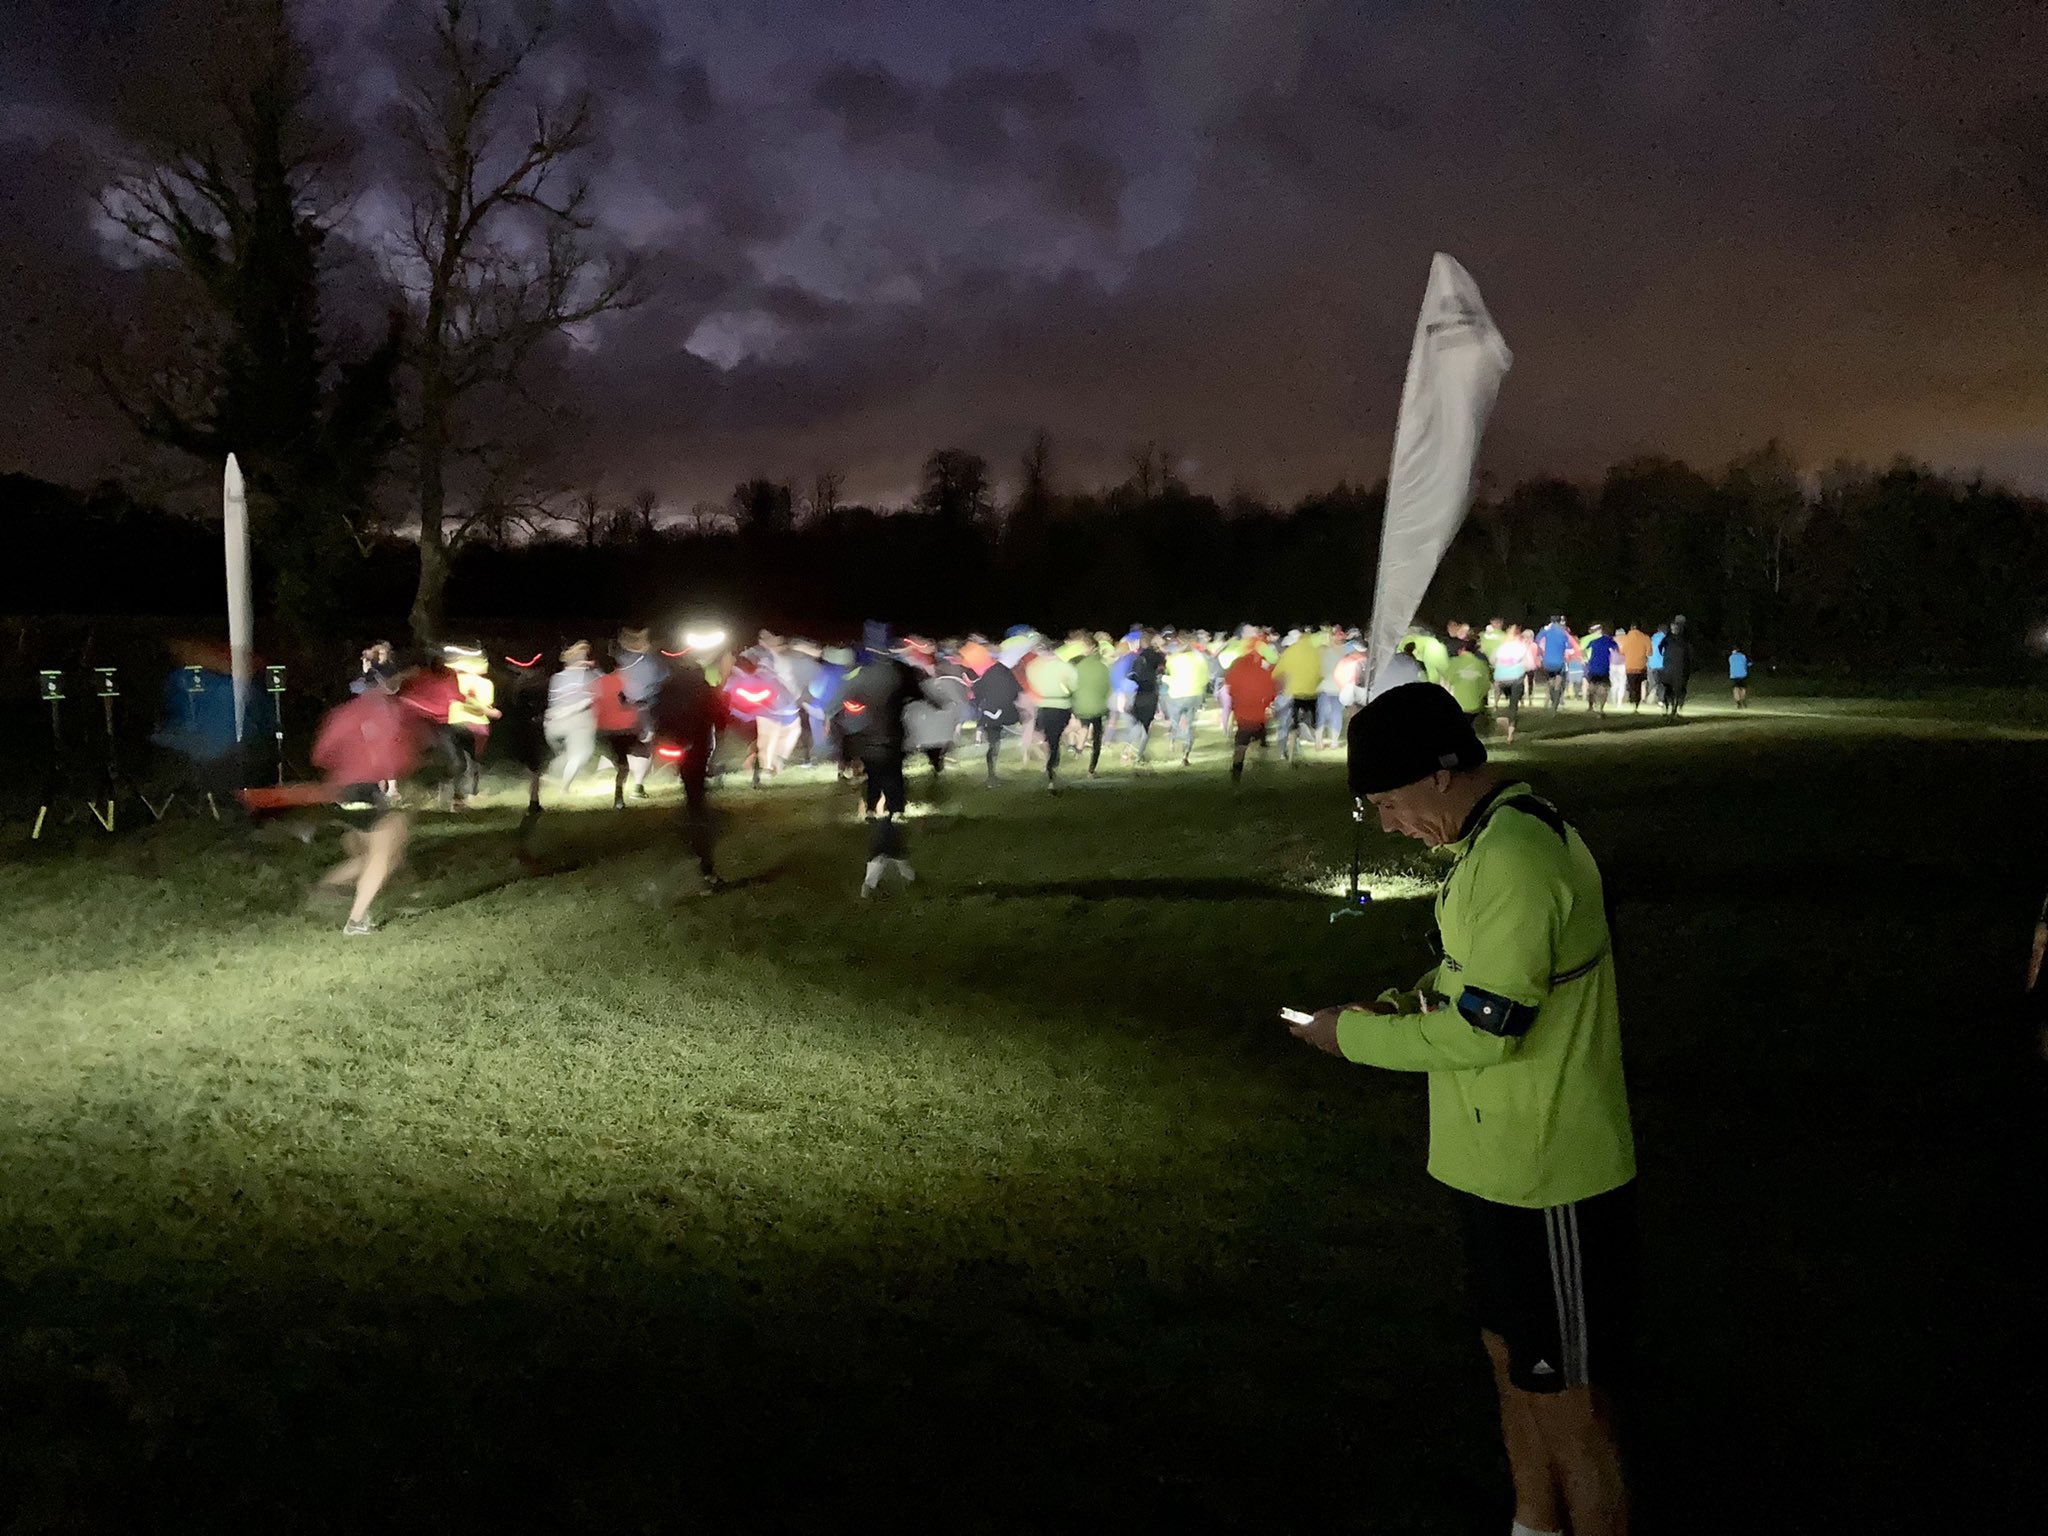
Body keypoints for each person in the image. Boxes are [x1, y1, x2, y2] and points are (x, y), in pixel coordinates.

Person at [1290, 683, 1636, 1536]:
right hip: (1495, 1166)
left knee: (1569, 1404)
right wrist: (1400, 1008)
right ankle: (1533, 1524)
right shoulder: (1490, 848)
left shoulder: (1518, 860)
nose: (1391, 825)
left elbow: (1493, 1030)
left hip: (1548, 1170)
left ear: (1440, 775)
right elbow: (1471, 987)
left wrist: (1352, 1040)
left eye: (1389, 804)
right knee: (1516, 1368)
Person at [308, 682, 429, 934]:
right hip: (368, 789)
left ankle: (326, 889)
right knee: (383, 854)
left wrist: (346, 763)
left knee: (384, 854)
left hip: (342, 793)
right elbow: (397, 755)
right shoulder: (388, 712)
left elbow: (319, 754)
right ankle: (355, 920)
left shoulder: (342, 713)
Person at [835, 626, 939, 894]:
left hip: (869, 746)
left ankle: (901, 871)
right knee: (892, 809)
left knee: (884, 799)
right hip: (893, 745)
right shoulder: (900, 672)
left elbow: (840, 709)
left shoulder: (860, 676)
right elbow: (924, 695)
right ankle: (876, 871)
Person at [650, 653, 728, 891]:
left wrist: (665, 735)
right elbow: (720, 716)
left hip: (678, 745)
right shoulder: (703, 689)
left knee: (691, 789)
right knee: (696, 798)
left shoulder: (666, 688)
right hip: (697, 746)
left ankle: (694, 819)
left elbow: (658, 716)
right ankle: (704, 862)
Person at [544, 642, 599, 795]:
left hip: (553, 724)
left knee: (565, 755)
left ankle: (553, 773)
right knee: (581, 754)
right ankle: (564, 787)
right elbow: (591, 698)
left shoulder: (557, 678)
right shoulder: (588, 676)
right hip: (577, 721)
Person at [1026, 641, 1079, 790]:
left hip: (1042, 706)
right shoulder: (1064, 666)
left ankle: (1049, 764)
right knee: (1054, 739)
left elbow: (1032, 683)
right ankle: (1051, 769)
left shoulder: (1033, 666)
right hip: (1061, 705)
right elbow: (1074, 685)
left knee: (1048, 737)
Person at [1222, 643, 1277, 784]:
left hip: (1243, 714)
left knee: (1241, 744)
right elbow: (1272, 689)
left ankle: (1237, 772)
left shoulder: (1237, 666)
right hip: (1259, 714)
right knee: (1260, 741)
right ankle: (1260, 773)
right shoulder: (1264, 670)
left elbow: (1229, 686)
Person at [970, 653, 1022, 786]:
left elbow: (977, 691)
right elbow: (1017, 691)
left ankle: (991, 775)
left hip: (990, 712)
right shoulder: (1007, 673)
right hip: (1004, 712)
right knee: (996, 743)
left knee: (993, 743)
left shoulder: (989, 673)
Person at [1275, 628, 1324, 761]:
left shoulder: (1290, 652)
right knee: (1312, 721)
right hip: (1312, 693)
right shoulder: (1315, 651)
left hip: (1293, 693)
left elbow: (1276, 673)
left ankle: (1287, 755)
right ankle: (1318, 744)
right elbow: (1321, 673)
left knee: (1290, 725)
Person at [1067, 632, 1112, 777]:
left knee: (1082, 727)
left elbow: (1072, 687)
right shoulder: (1103, 667)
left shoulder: (1078, 666)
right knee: (1097, 739)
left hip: (1081, 707)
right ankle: (1091, 769)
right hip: (1098, 707)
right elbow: (1107, 689)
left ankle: (1076, 749)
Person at [1164, 635, 1210, 765]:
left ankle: (1172, 743)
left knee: (1175, 721)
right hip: (1194, 695)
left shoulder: (1174, 659)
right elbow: (1206, 678)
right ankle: (1185, 755)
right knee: (1189, 724)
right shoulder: (1199, 659)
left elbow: (1169, 673)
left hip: (1176, 695)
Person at [1124, 630, 1165, 765]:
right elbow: (1162, 669)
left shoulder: (1138, 657)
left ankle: (1128, 749)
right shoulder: (1158, 656)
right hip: (1151, 694)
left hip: (1139, 694)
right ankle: (1139, 754)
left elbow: (1131, 675)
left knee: (1136, 724)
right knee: (1146, 727)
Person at [1490, 624, 1535, 742]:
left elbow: (1492, 660)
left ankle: (1502, 720)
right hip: (1516, 678)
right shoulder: (1522, 647)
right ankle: (1510, 734)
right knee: (1513, 706)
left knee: (1507, 699)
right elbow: (1530, 665)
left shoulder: (1500, 647)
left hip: (1501, 678)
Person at [1443, 634, 1493, 724]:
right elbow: (1486, 685)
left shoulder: (1455, 662)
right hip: (1475, 705)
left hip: (1459, 703)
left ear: (1462, 649)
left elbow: (1448, 680)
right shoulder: (1481, 664)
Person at [1535, 616, 1572, 711]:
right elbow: (1569, 648)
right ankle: (1555, 704)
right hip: (1559, 662)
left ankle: (1551, 700)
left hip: (1547, 661)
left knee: (1550, 681)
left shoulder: (1546, 631)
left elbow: (1537, 640)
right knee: (1558, 681)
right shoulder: (1564, 633)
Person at [1660, 616, 1693, 717]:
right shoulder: (1668, 639)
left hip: (1679, 668)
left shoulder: (1683, 640)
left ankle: (1677, 708)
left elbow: (1689, 654)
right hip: (1670, 668)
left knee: (1679, 689)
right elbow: (1660, 648)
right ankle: (1668, 707)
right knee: (1668, 689)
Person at [1585, 625, 1619, 715]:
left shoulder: (1594, 641)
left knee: (1592, 687)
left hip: (1593, 668)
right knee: (1604, 689)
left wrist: (1586, 660)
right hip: (1604, 668)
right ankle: (1601, 708)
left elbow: (1585, 649)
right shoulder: (1609, 641)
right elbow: (1617, 650)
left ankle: (1590, 706)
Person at [1616, 624, 1652, 712]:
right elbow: (1649, 653)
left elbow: (1621, 652)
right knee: (1639, 686)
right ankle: (1636, 704)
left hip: (1629, 666)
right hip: (1641, 666)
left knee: (1631, 685)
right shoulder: (1645, 638)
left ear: (1631, 628)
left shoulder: (1625, 638)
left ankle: (1632, 701)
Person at [1728, 644, 1750, 709]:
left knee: (1735, 688)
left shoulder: (1731, 657)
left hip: (1734, 675)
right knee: (1743, 688)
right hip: (1743, 674)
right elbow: (1747, 664)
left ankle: (1738, 702)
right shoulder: (1743, 656)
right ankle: (1743, 699)